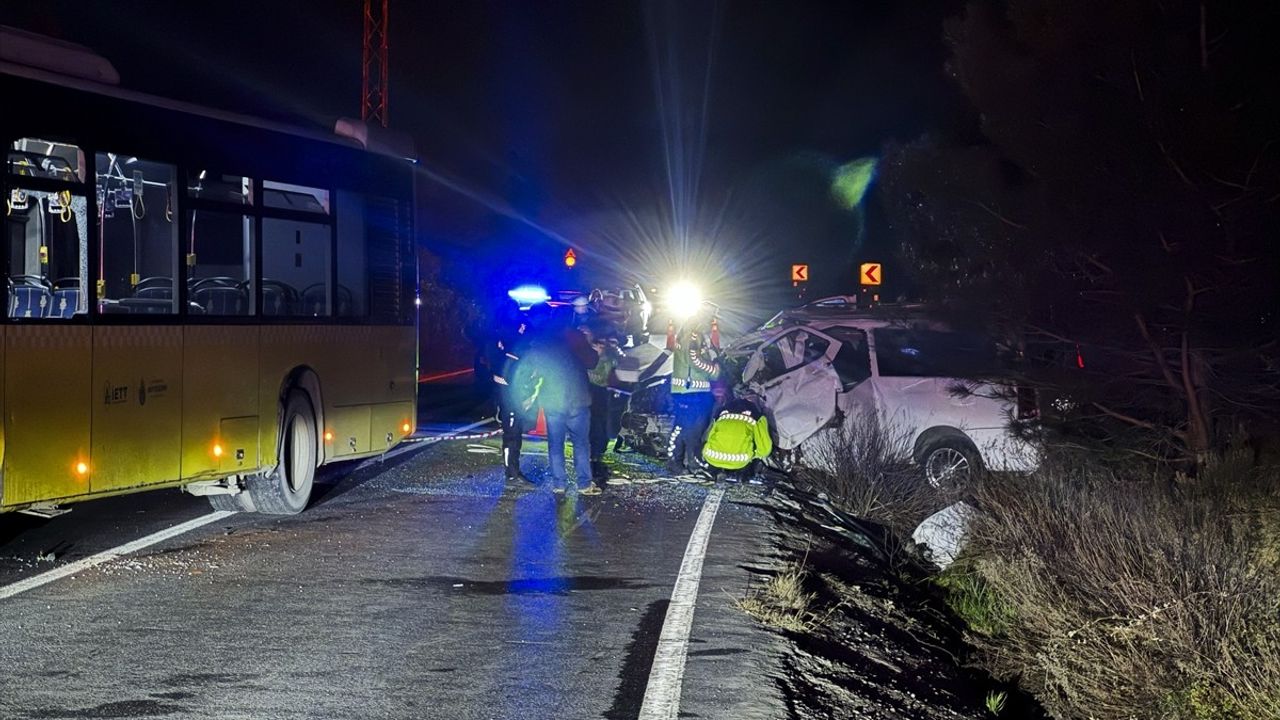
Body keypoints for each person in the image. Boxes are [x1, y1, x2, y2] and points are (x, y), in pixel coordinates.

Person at [518, 318, 600, 495]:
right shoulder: (576, 338)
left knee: (555, 444)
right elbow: (592, 361)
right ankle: (584, 484)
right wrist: (590, 341)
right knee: (581, 444)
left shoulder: (541, 344)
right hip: (578, 399)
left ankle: (559, 484)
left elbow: (530, 371)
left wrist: (527, 396)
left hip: (553, 401)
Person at [666, 314, 721, 475]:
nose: (711, 323)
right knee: (693, 429)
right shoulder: (693, 335)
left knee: (683, 426)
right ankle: (691, 462)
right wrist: (715, 370)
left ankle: (677, 462)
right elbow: (694, 360)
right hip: (692, 390)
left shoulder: (687, 333)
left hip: (685, 389)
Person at [488, 301, 535, 484]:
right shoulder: (506, 338)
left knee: (515, 432)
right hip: (509, 390)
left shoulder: (508, 335)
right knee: (512, 434)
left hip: (513, 388)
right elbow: (503, 365)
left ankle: (513, 470)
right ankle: (512, 473)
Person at [584, 319, 624, 488]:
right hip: (590, 392)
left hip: (601, 392)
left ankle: (597, 452)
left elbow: (617, 370)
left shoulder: (610, 356)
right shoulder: (590, 354)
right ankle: (594, 453)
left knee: (600, 423)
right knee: (594, 423)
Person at [702, 398, 773, 482]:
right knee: (752, 455)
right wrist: (753, 454)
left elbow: (709, 437)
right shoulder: (757, 417)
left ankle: (716, 471)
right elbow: (765, 449)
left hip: (712, 456)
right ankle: (742, 475)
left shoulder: (720, 415)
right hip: (740, 460)